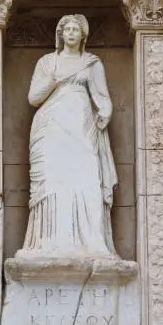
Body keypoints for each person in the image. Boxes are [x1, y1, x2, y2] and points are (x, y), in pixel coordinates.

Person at [18, 14, 118, 258]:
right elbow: (33, 98)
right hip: (51, 126)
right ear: (60, 34)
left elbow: (102, 96)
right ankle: (49, 242)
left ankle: (91, 241)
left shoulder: (92, 64)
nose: (71, 33)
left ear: (83, 36)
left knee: (86, 178)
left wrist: (105, 112)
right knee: (52, 181)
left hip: (81, 126)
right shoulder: (47, 62)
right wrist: (53, 82)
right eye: (67, 29)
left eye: (75, 29)